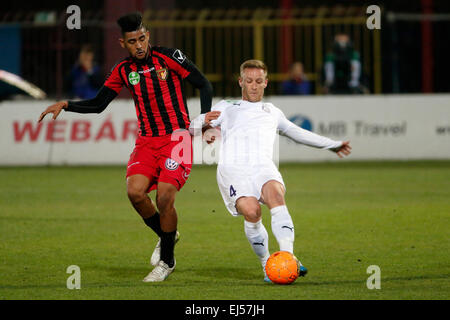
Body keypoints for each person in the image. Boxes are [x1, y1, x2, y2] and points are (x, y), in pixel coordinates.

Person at [38, 12, 218, 282]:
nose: (139, 45)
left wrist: (205, 119)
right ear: (123, 43)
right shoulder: (123, 71)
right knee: (135, 193)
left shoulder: (169, 57)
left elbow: (203, 83)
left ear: (148, 36)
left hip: (177, 138)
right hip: (146, 141)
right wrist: (67, 104)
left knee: (165, 197)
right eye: (133, 41)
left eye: (142, 39)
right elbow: (99, 104)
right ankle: (167, 235)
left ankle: (166, 262)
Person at [189, 59, 351, 282]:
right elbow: (192, 128)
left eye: (258, 81)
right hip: (233, 171)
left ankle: (288, 257)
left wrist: (331, 145)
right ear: (240, 82)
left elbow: (297, 132)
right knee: (252, 212)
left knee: (276, 194)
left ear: (266, 83)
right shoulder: (226, 107)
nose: (253, 86)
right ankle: (267, 263)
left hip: (262, 166)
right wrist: (201, 120)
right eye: (249, 81)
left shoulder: (272, 111)